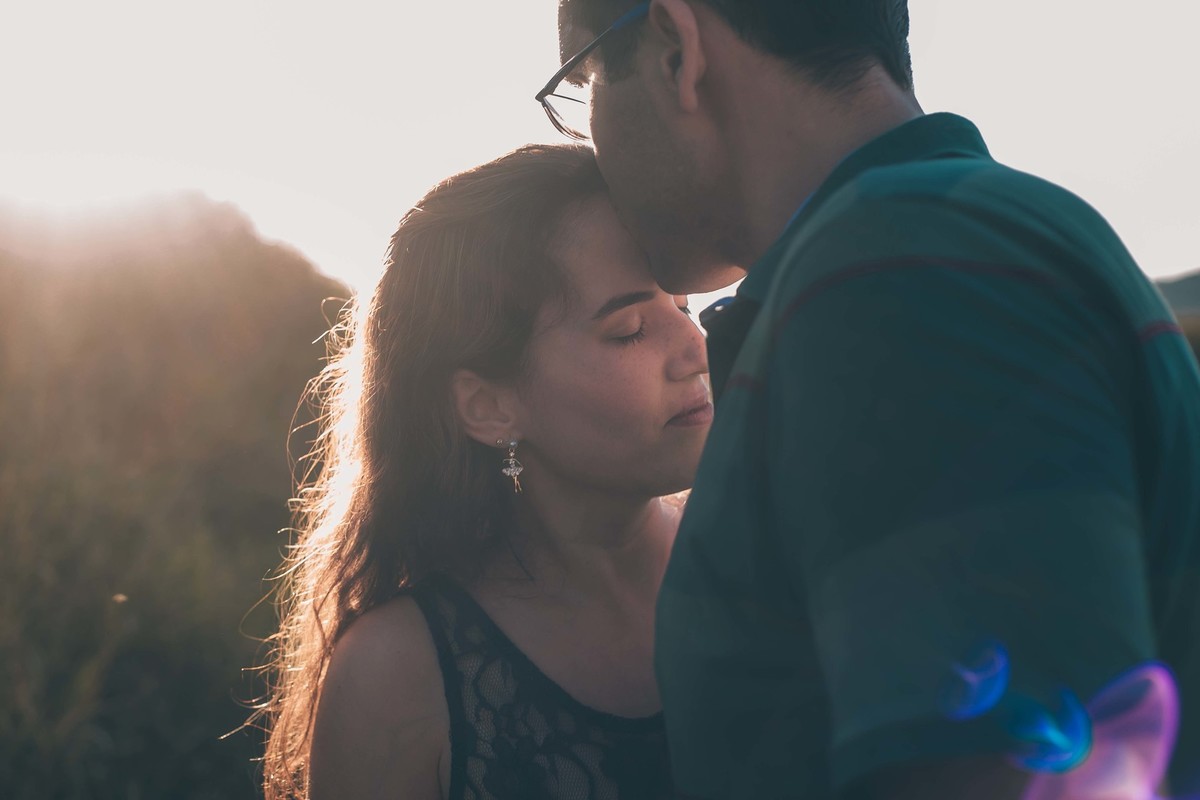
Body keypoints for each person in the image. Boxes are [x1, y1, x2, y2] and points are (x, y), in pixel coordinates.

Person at [540, 1, 1200, 798]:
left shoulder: (895, 272)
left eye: (583, 82)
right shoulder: (939, 239)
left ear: (677, 51)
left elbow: (1003, 775)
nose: (588, 142)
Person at [257, 144, 711, 800]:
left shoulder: (773, 559)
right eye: (630, 329)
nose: (697, 348)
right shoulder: (397, 676)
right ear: (489, 407)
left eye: (685, 307)